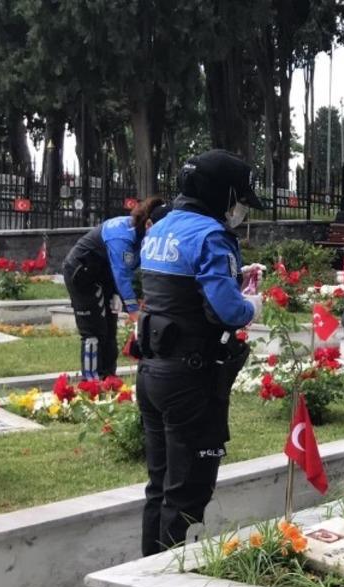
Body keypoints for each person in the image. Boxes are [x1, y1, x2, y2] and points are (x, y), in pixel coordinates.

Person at [136, 149, 264, 556]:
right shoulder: (211, 235)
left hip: (153, 371)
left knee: (159, 486)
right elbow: (227, 310)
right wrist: (252, 306)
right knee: (189, 490)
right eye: (238, 198)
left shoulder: (161, 228)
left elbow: (181, 289)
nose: (239, 209)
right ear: (219, 193)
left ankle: (144, 576)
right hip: (191, 378)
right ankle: (172, 583)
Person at [62, 196, 170, 380]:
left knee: (109, 331)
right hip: (82, 274)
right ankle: (92, 384)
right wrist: (135, 313)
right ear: (149, 224)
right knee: (93, 332)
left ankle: (109, 380)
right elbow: (123, 276)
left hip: (105, 276)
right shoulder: (122, 236)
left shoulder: (143, 236)